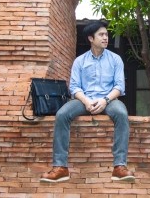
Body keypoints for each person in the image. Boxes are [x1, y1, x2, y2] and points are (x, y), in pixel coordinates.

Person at [40, 20, 135, 183]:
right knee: (62, 114)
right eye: (102, 35)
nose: (106, 37)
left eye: (106, 34)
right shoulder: (80, 61)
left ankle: (119, 167)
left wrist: (105, 100)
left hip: (109, 99)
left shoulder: (115, 59)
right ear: (91, 38)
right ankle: (61, 167)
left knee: (121, 113)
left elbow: (119, 86)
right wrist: (86, 102)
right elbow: (75, 87)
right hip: (84, 100)